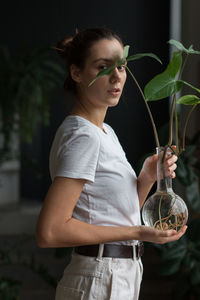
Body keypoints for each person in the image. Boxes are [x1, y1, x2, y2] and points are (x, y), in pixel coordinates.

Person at [35, 27, 187, 300]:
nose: (117, 76)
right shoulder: (84, 136)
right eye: (103, 67)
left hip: (116, 275)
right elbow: (51, 230)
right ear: (76, 73)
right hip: (99, 277)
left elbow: (111, 214)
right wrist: (139, 231)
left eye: (122, 66)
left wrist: (147, 178)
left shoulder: (104, 131)